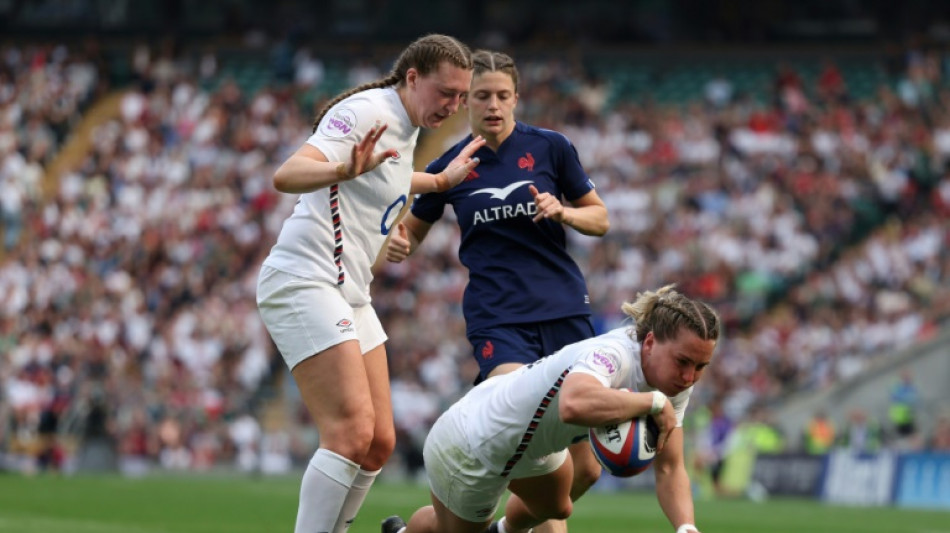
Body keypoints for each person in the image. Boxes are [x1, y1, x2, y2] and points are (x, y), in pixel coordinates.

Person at [256, 34, 486, 533]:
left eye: (461, 97)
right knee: (350, 432)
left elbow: (390, 175)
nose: (454, 105)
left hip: (348, 291)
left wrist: (439, 183)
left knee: (379, 440)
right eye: (446, 92)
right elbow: (287, 173)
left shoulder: (407, 128)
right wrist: (340, 167)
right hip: (304, 277)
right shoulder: (367, 111)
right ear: (412, 78)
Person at [385, 49, 609, 533]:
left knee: (585, 471)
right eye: (481, 96)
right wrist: (397, 242)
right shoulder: (450, 164)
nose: (493, 105)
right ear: (465, 101)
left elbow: (601, 217)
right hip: (499, 320)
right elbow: (410, 231)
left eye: (502, 96)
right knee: (526, 433)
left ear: (516, 98)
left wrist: (565, 212)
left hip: (564, 313)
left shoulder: (551, 148)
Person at [383, 285, 719, 533]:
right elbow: (574, 404)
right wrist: (652, 402)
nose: (690, 377)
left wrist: (686, 528)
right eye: (684, 362)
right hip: (473, 444)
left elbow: (670, 468)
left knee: (557, 505)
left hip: (529, 449)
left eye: (701, 366)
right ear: (649, 343)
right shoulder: (615, 353)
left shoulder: (671, 379)